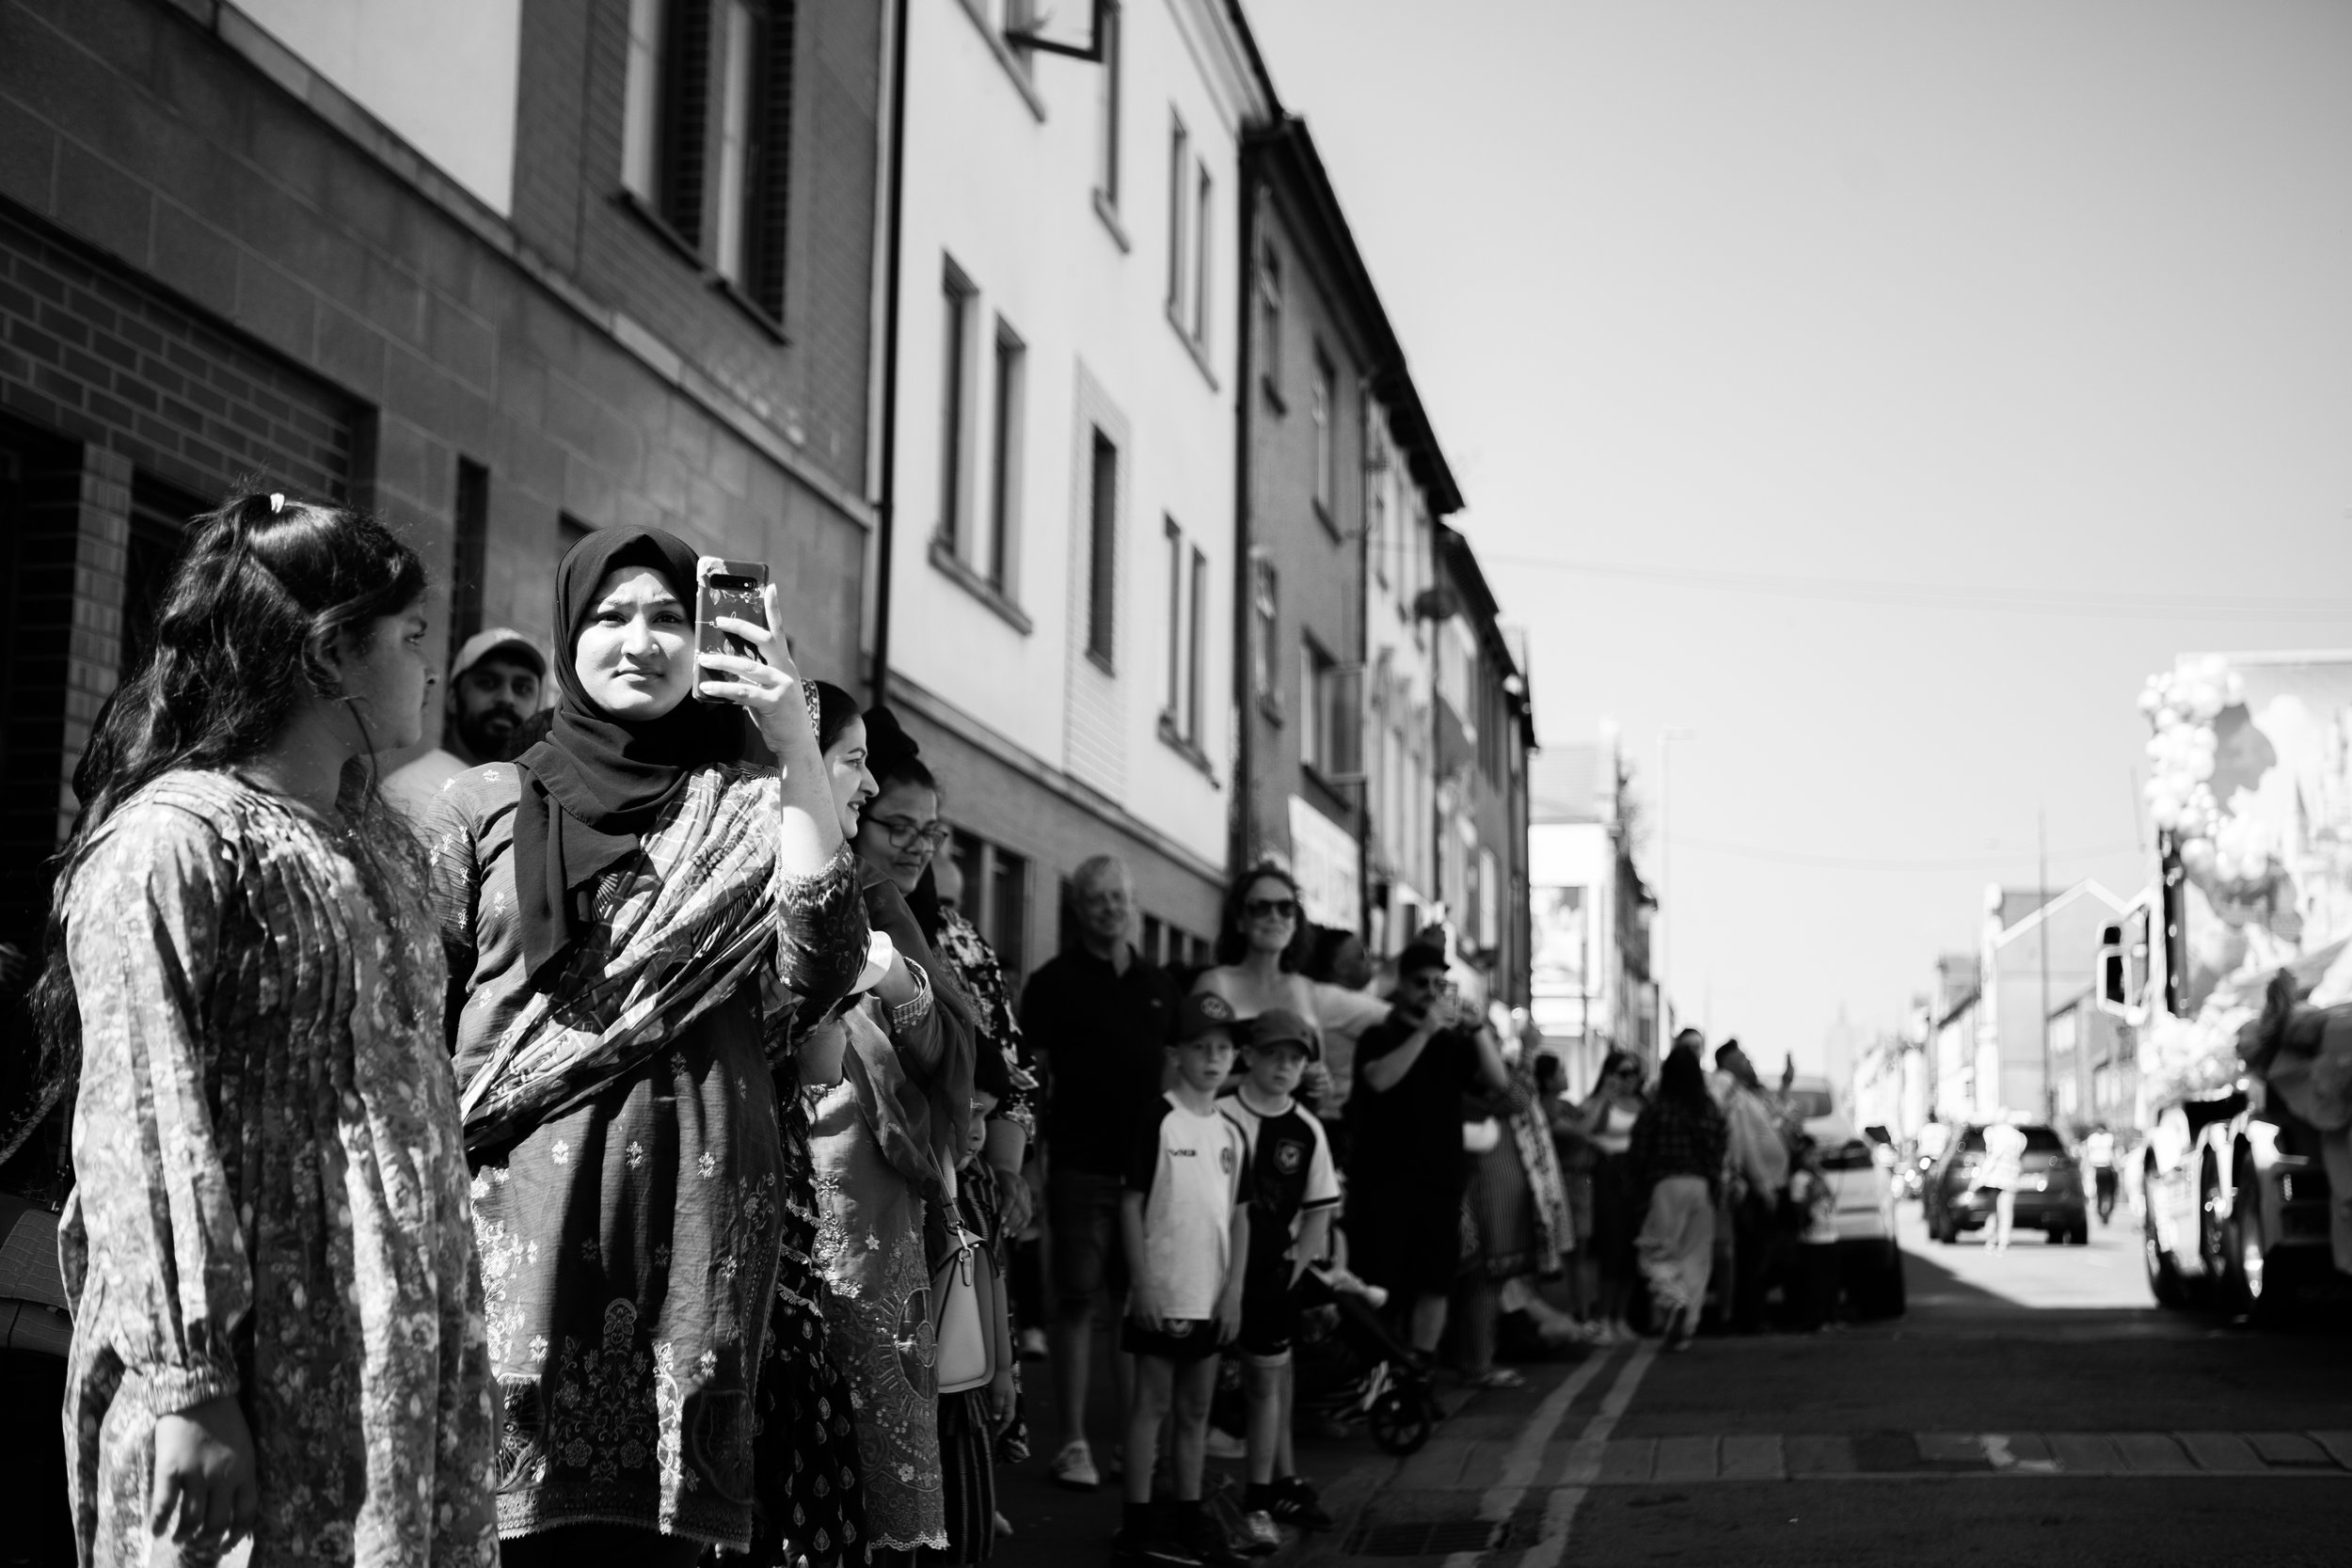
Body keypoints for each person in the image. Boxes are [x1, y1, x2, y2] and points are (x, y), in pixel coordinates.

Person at [43, 492, 497, 1565]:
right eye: (412, 637)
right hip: (247, 1374)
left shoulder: (374, 841)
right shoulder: (175, 842)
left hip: (383, 1361)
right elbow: (140, 1125)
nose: (429, 667)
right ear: (331, 655)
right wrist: (188, 1381)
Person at [423, 527, 872, 1563]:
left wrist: (793, 742)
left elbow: (825, 960)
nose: (642, 639)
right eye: (611, 616)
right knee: (499, 1528)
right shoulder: (478, 803)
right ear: (569, 634)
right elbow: (415, 1027)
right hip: (510, 1230)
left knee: (660, 1540)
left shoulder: (753, 807)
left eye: (669, 616)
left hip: (694, 1239)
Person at [1020, 856, 1180, 1492]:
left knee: (1131, 1305)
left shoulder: (1159, 984)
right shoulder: (1052, 983)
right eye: (1096, 898)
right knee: (1077, 1302)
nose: (1109, 907)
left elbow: (1172, 1079)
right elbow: (1031, 1081)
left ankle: (1128, 1449)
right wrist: (1029, 1163)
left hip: (1146, 1177)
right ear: (1077, 908)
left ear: (1132, 900)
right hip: (1080, 1167)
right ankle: (1074, 1443)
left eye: (1118, 896)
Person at [1115, 992, 1251, 1568]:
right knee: (1151, 1406)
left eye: (1223, 1048)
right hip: (1164, 1289)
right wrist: (1142, 1284)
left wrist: (1234, 1291)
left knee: (1197, 1410)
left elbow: (1239, 1216)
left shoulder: (1232, 1132)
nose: (1214, 1058)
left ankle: (1190, 1517)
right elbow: (1131, 1203)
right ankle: (1139, 1522)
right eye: (1201, 1047)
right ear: (1178, 1053)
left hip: (1210, 1295)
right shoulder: (1159, 1117)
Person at [1343, 941, 1509, 1361]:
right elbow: (1380, 1080)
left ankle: (1419, 1369)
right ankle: (1377, 1373)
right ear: (1400, 985)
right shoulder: (1379, 1035)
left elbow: (1497, 1081)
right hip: (1384, 1181)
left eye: (1440, 983)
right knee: (1381, 1280)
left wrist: (1476, 1029)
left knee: (1435, 1280)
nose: (1431, 991)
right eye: (1421, 983)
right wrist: (1424, 1030)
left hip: (1440, 1181)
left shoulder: (1453, 1043)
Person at [1217, 1008, 1341, 1546]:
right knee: (1195, 1393)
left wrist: (1295, 1271)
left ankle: (1261, 1499)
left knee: (1267, 1386)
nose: (1285, 1066)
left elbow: (1320, 1207)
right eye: (1274, 1055)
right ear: (1249, 1056)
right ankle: (1180, 1503)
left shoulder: (1307, 1129)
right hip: (1208, 1274)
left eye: (1296, 1059)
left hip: (1269, 1278)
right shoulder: (1216, 1113)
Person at [1191, 866, 1393, 1114]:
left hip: (1288, 1140)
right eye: (1260, 907)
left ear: (1296, 922)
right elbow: (1186, 1078)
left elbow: (1319, 1092)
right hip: (1227, 1133)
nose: (1275, 916)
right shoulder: (1215, 984)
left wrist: (1319, 1082)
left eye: (1286, 908)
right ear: (1240, 920)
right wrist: (1256, 1079)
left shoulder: (1304, 989)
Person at [383, 626, 546, 820]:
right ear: (453, 698)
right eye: (488, 683)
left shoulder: (532, 793)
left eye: (523, 688)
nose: (506, 698)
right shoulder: (414, 793)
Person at [1629, 1041, 1728, 1353]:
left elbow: (1639, 1149)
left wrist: (1638, 1186)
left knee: (1657, 1251)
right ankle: (1686, 1329)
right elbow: (1720, 1146)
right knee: (1696, 1260)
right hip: (1701, 1186)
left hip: (1665, 1185)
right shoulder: (1709, 1108)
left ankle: (1673, 1299)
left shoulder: (1657, 1107)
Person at [1710, 1037, 1790, 1333]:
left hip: (1765, 1185)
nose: (1750, 1062)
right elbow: (1744, 1145)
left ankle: (1751, 1315)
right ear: (1729, 1063)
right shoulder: (1732, 1094)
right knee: (1752, 1257)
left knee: (1759, 1256)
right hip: (1754, 1189)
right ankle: (1748, 1318)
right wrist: (1761, 1185)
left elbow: (1773, 1121)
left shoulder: (1748, 1094)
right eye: (1743, 1058)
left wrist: (1784, 1086)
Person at [1567, 1052, 1647, 1343]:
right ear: (1610, 1073)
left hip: (1633, 1178)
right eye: (1623, 1073)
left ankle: (1620, 1317)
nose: (1629, 1079)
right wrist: (1605, 1096)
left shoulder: (1642, 1104)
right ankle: (1603, 1317)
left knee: (1630, 1251)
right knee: (1611, 1249)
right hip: (1607, 1177)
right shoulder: (1598, 1103)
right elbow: (1585, 1130)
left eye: (1634, 1073)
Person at [1785, 1136, 1841, 1332]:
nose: (1814, 1159)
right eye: (1809, 1155)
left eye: (1815, 1154)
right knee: (1815, 1282)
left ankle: (1831, 1317)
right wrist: (1812, 1196)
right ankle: (1816, 1320)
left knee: (1831, 1281)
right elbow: (1798, 1210)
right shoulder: (1798, 1180)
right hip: (1812, 1239)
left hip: (1829, 1234)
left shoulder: (1819, 1176)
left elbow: (1830, 1198)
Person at [1979, 1120, 2029, 1251]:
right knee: (2006, 1210)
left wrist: (1981, 1176)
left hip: (1994, 1176)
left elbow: (1993, 1155)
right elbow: (2020, 1157)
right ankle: (2003, 1241)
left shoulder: (1992, 1132)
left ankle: (1991, 1240)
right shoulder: (2019, 1137)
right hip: (2011, 1175)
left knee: (1992, 1210)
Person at [2084, 1122, 2120, 1225]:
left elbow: (2087, 1155)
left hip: (2102, 1168)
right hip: (2104, 1168)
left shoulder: (2093, 1138)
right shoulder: (2108, 1138)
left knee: (2103, 1192)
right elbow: (2114, 1154)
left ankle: (2102, 1212)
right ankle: (2103, 1212)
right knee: (2107, 1192)